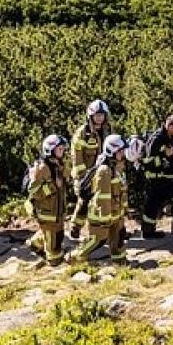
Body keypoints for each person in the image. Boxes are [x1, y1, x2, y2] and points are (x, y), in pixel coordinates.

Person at [74, 134, 129, 266]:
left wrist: (123, 211)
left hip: (116, 214)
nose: (122, 154)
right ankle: (75, 258)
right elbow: (103, 197)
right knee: (97, 241)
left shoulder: (117, 167)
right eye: (120, 151)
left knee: (118, 240)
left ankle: (120, 263)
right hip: (102, 215)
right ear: (112, 151)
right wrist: (105, 218)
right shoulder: (104, 170)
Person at [26, 134, 73, 266]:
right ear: (50, 150)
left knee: (59, 235)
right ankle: (51, 255)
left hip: (58, 211)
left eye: (63, 149)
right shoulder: (41, 168)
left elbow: (66, 182)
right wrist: (52, 187)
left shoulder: (59, 164)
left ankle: (35, 243)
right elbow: (33, 192)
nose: (62, 151)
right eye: (60, 149)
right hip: (47, 213)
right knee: (54, 257)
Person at [139, 114, 173, 238]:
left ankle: (152, 231)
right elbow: (147, 161)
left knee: (158, 202)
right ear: (170, 126)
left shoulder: (171, 138)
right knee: (156, 203)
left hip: (165, 177)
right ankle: (150, 232)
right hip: (155, 178)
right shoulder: (157, 139)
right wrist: (164, 155)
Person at [69, 99, 111, 240]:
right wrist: (82, 177)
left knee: (103, 201)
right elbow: (77, 157)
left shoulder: (108, 130)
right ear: (90, 116)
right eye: (96, 115)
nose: (99, 118)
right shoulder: (82, 133)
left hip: (103, 173)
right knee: (84, 201)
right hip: (86, 173)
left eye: (102, 115)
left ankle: (102, 229)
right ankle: (75, 226)